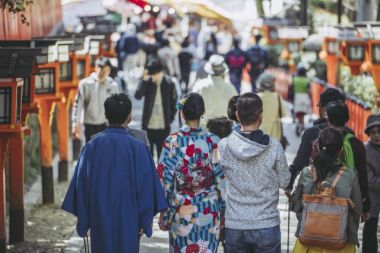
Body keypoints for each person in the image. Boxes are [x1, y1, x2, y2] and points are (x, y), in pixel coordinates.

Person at [62, 94, 168, 253]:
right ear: (129, 117)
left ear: (106, 116)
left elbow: (82, 187)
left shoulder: (91, 147)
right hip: (130, 220)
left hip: (99, 220)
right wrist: (144, 222)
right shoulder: (138, 148)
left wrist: (83, 223)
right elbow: (147, 189)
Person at [218, 92, 290, 252]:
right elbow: (285, 181)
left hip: (235, 224)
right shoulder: (274, 146)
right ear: (261, 116)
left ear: (237, 115)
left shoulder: (224, 146)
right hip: (266, 224)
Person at [157, 93, 225, 253]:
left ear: (182, 113)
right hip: (208, 211)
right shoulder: (213, 141)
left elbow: (164, 179)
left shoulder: (172, 141)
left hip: (182, 211)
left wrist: (164, 213)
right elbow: (221, 179)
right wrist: (223, 209)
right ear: (203, 112)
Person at [291, 128, 362, 253]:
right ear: (341, 150)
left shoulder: (307, 172)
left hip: (308, 241)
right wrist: (350, 230)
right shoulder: (349, 175)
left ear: (318, 147)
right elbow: (357, 209)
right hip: (340, 243)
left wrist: (308, 221)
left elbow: (296, 205)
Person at [286, 88, 346, 194]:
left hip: (315, 197)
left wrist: (289, 185)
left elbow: (300, 162)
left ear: (324, 110)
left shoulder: (312, 132)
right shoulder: (351, 135)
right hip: (342, 197)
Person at [326, 101, 370, 218]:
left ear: (328, 119)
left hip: (324, 199)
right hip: (349, 201)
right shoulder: (357, 144)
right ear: (347, 119)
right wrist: (365, 205)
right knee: (348, 235)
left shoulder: (321, 140)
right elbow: (362, 175)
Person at [134, 58, 178, 158]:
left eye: (154, 74)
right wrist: (144, 80)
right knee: (147, 155)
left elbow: (173, 103)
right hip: (148, 125)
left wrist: (170, 119)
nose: (152, 76)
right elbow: (137, 96)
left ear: (160, 72)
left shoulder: (169, 83)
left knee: (162, 156)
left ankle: (160, 174)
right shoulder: (148, 82)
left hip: (163, 126)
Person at [71, 57, 120, 143]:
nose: (104, 72)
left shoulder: (112, 85)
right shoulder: (85, 84)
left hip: (106, 124)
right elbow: (78, 104)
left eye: (107, 69)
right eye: (102, 69)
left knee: (104, 150)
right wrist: (75, 124)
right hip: (89, 124)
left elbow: (117, 106)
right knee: (91, 150)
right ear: (96, 68)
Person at [192, 54, 238, 127]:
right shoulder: (230, 87)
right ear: (223, 72)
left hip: (204, 128)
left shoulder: (199, 85)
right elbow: (235, 109)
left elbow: (192, 106)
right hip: (224, 129)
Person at [362, 114, 380, 253]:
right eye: (373, 132)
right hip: (372, 197)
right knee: (370, 230)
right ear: (368, 134)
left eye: (379, 132)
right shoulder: (366, 150)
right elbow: (369, 179)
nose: (376, 135)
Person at [257, 72, 287, 141]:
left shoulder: (256, 97)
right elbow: (283, 114)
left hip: (259, 136)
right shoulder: (277, 97)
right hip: (275, 137)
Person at [292, 66, 311, 136]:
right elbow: (309, 90)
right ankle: (301, 126)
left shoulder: (295, 79)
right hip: (305, 97)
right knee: (302, 113)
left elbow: (292, 88)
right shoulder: (307, 80)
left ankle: (299, 125)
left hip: (297, 97)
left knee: (298, 113)